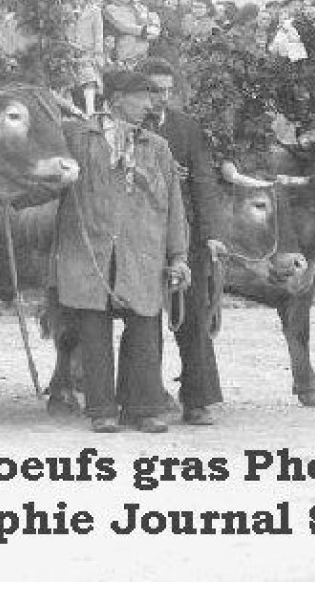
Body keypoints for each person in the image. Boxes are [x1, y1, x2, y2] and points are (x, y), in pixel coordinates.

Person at [52, 70, 190, 434]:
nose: (151, 103)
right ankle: (102, 410)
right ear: (116, 99)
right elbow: (46, 178)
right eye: (142, 95)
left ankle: (143, 409)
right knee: (93, 332)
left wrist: (178, 256)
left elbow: (173, 205)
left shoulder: (157, 148)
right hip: (90, 251)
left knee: (144, 330)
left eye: (151, 95)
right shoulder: (78, 139)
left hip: (142, 252)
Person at [137, 57, 223, 425]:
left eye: (167, 91)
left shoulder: (187, 127)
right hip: (139, 235)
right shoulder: (126, 127)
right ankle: (148, 397)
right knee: (144, 320)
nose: (161, 98)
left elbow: (203, 180)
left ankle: (197, 399)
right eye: (154, 91)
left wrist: (212, 234)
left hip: (185, 234)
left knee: (193, 317)